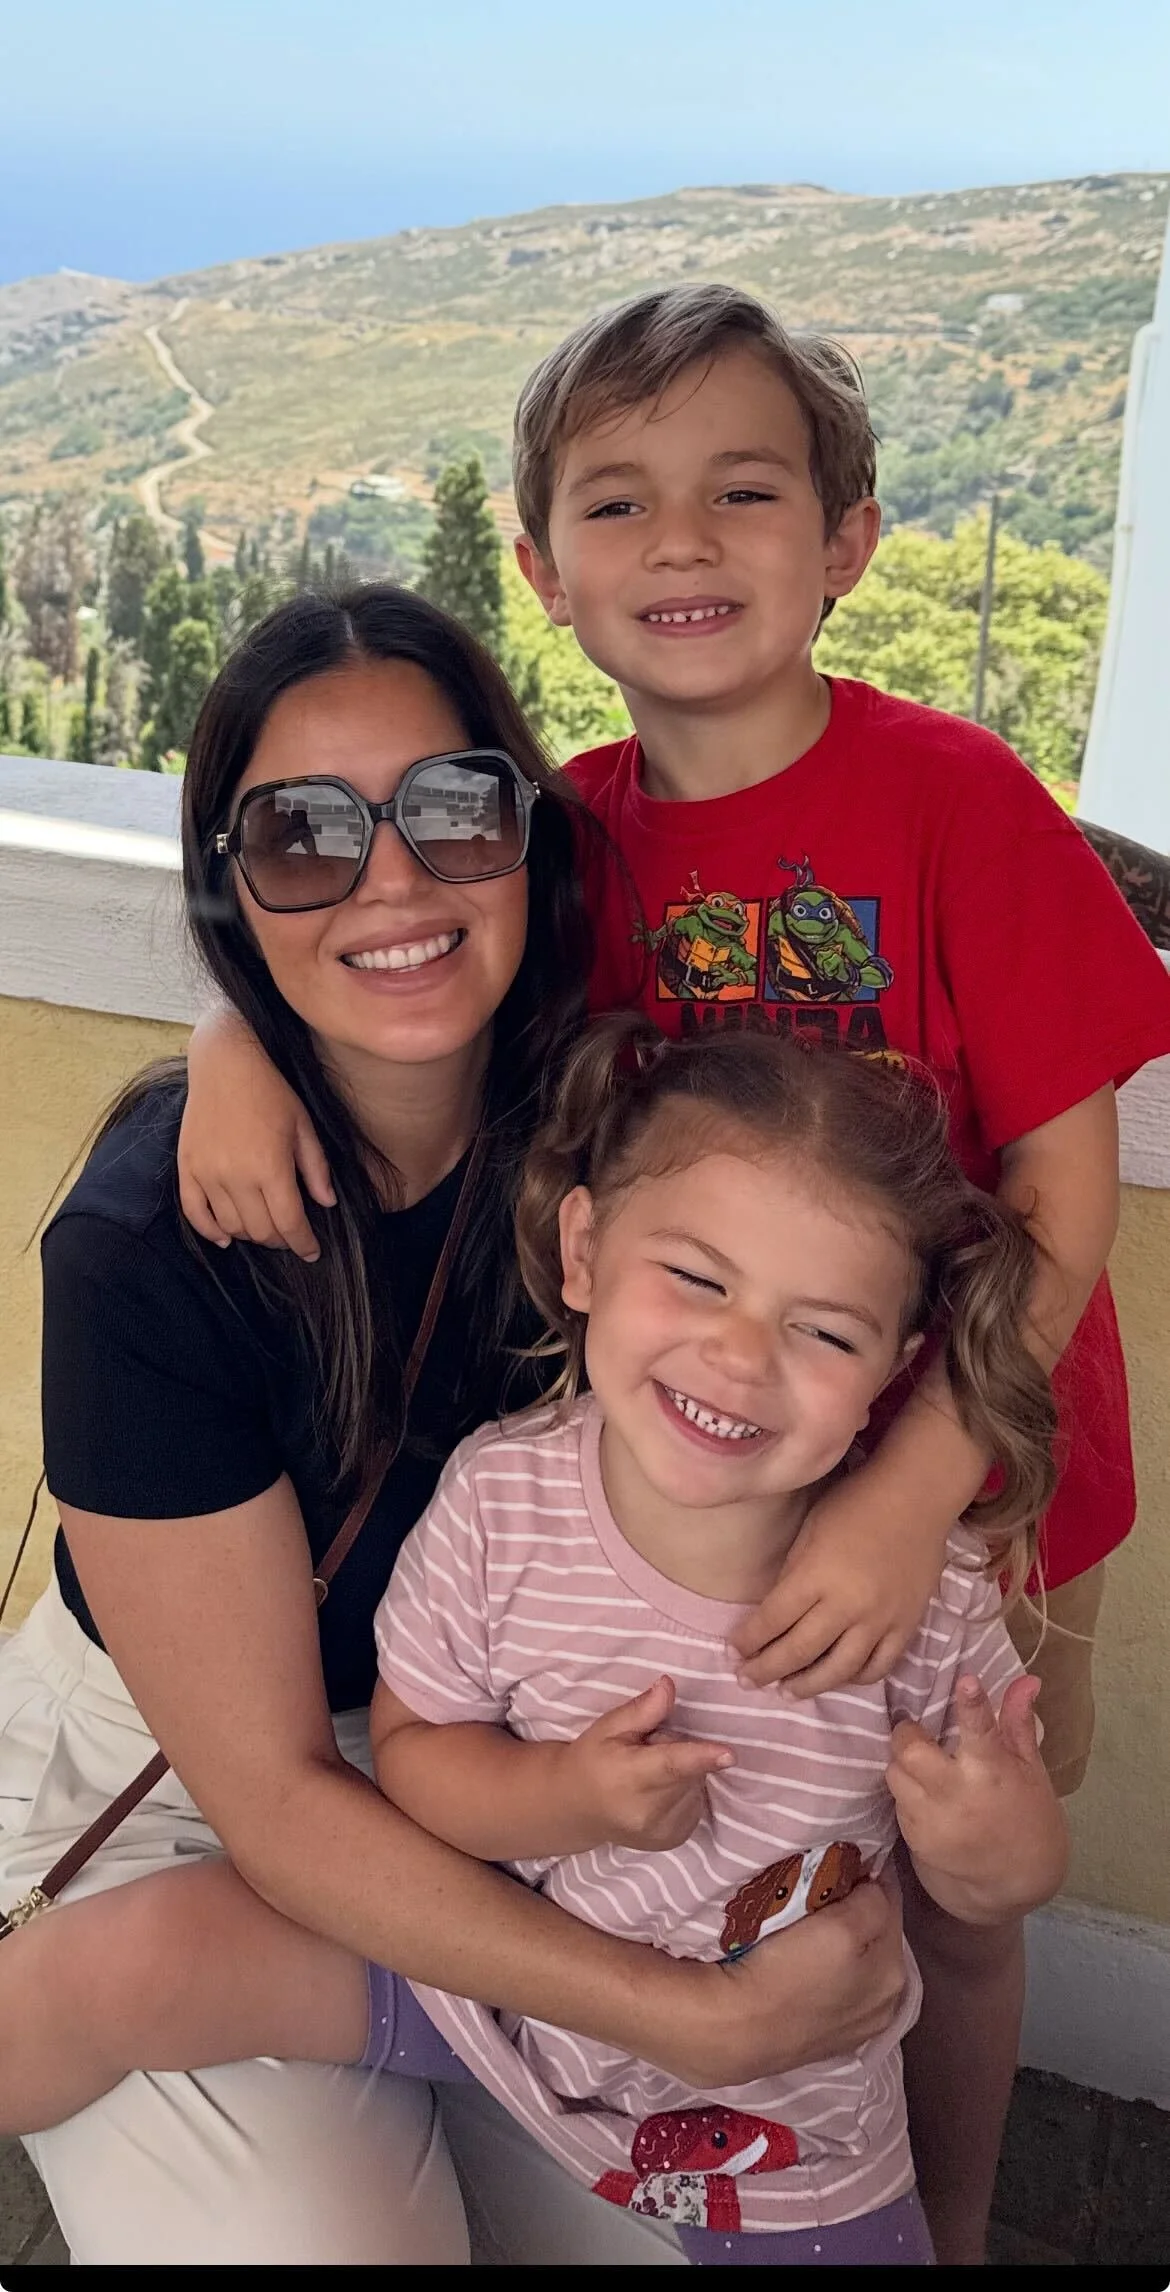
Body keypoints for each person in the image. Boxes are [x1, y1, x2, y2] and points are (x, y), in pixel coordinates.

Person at [172, 285, 1170, 2260]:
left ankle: (948, 2217)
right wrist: (226, 1043)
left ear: (849, 538)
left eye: (742, 491)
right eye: (618, 506)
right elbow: (389, 964)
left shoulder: (963, 801)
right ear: (541, 571)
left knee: (962, 1885)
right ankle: (714, 2121)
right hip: (697, 1495)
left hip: (982, 1480)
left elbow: (1069, 1187)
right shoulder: (571, 845)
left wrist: (907, 1496)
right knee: (739, 1832)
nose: (686, 543)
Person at [0, 588, 909, 2268]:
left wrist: (906, 1507)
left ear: (525, 836)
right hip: (194, 1785)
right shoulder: (147, 1248)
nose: (392, 879)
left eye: (449, 808)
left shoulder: (610, 1129)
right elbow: (274, 1796)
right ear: (230, 882)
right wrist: (669, 2011)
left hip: (511, 1768)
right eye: (303, 839)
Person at [0, 1023, 1069, 2265]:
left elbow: (991, 1903)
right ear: (582, 1250)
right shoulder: (507, 1499)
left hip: (780, 2133)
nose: (738, 1354)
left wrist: (1004, 1854)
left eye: (823, 1332)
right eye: (700, 1281)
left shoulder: (916, 1586)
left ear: (896, 1363)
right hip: (494, 2000)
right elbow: (417, 1755)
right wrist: (563, 1796)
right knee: (145, 1954)